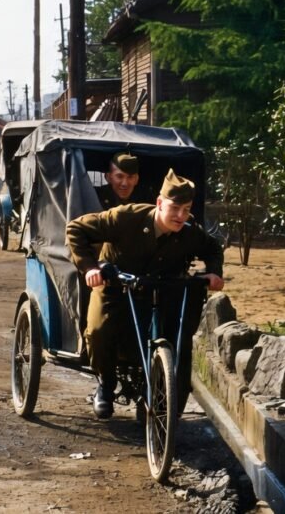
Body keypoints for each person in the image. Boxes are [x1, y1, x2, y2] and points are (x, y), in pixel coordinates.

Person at [66, 169, 224, 419]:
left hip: (161, 292)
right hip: (116, 288)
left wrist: (214, 273)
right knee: (98, 331)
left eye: (186, 209)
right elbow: (76, 229)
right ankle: (106, 384)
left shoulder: (189, 231)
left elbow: (213, 248)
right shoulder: (126, 217)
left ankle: (158, 396)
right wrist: (90, 268)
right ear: (159, 203)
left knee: (177, 339)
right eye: (175, 208)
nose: (180, 216)